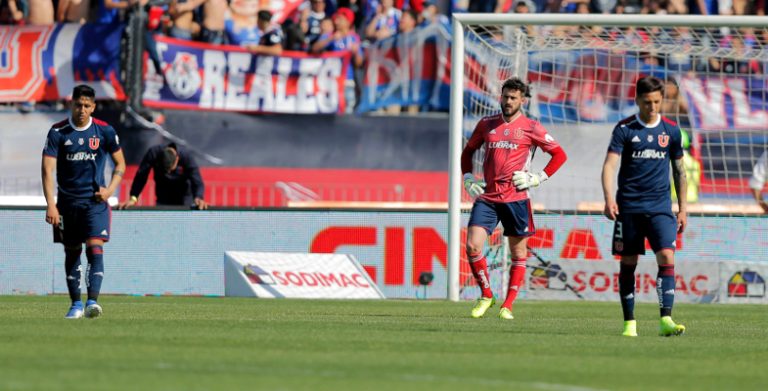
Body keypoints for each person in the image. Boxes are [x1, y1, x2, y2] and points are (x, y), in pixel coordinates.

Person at [461, 77, 567, 320]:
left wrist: (538, 177)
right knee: (472, 245)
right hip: (488, 196)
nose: (508, 101)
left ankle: (507, 305)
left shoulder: (532, 127)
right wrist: (468, 177)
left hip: (517, 198)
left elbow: (559, 155)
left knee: (518, 254)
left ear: (522, 100)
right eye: (505, 96)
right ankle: (487, 294)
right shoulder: (487, 124)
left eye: (513, 98)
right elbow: (467, 153)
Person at [601, 75, 687, 338]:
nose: (652, 107)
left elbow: (680, 171)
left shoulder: (671, 131)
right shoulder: (625, 129)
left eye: (657, 102)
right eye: (647, 102)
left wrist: (683, 208)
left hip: (661, 207)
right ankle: (630, 323)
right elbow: (609, 165)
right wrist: (608, 198)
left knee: (667, 257)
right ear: (637, 100)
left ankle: (666, 320)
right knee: (629, 261)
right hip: (629, 207)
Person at [42, 85, 126, 319]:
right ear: (72, 104)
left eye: (87, 106)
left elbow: (121, 164)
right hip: (67, 205)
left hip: (94, 204)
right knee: (72, 253)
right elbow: (47, 170)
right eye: (78, 105)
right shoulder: (58, 132)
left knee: (95, 248)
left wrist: (109, 190)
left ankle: (92, 302)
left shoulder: (105, 131)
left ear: (93, 107)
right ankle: (75, 304)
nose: (82, 110)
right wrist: (51, 204)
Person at [118, 142, 208, 210]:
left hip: (184, 199)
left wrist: (198, 197)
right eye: (165, 170)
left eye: (170, 169)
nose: (168, 173)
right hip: (163, 199)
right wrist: (133, 198)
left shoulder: (187, 157)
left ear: (177, 159)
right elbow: (141, 176)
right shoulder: (153, 153)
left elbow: (197, 181)